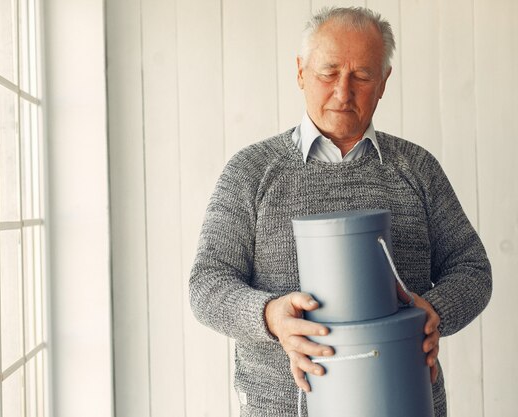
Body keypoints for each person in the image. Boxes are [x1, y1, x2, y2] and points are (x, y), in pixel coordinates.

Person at [190, 6, 491, 417]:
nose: (342, 92)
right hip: (281, 408)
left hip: (406, 403)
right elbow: (207, 283)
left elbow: (472, 268)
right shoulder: (252, 172)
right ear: (300, 72)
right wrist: (269, 316)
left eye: (362, 76)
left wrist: (437, 311)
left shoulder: (417, 169)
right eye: (328, 73)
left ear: (384, 82)